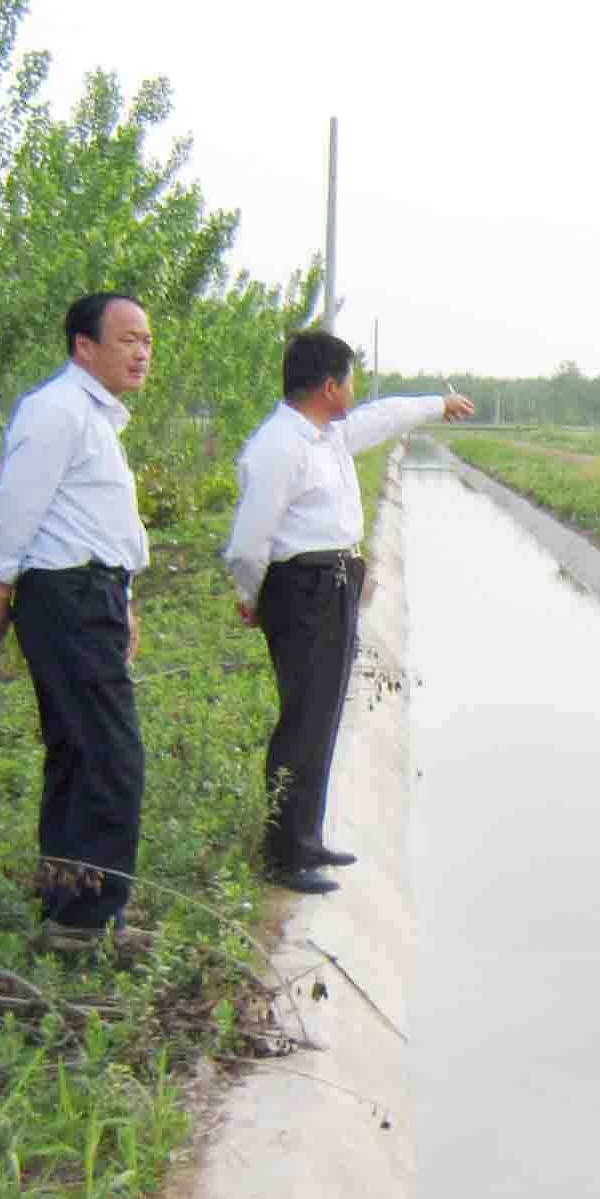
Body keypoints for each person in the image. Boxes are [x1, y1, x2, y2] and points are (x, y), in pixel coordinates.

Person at [222, 331, 472, 895]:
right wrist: (251, 594)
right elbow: (249, 540)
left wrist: (438, 405)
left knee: (324, 714)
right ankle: (285, 854)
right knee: (303, 719)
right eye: (351, 381)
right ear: (330, 386)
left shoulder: (327, 435)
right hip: (301, 588)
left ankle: (306, 837)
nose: (356, 392)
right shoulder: (277, 447)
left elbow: (384, 417)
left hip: (332, 584)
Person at [0, 292, 156, 946]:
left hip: (90, 594)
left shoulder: (93, 417)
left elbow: (99, 520)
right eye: (128, 339)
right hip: (68, 597)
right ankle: (88, 920)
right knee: (111, 756)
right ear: (85, 346)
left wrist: (124, 600)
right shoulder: (57, 411)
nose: (142, 353)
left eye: (147, 341)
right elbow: (14, 506)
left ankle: (65, 900)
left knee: (79, 752)